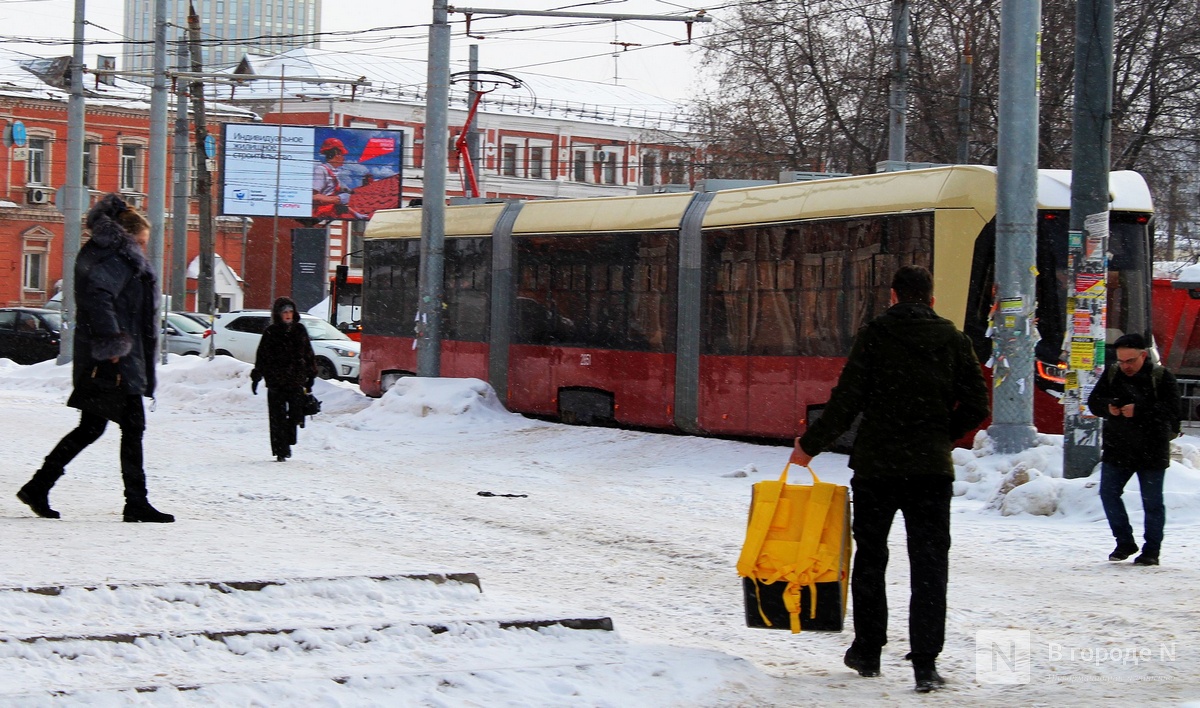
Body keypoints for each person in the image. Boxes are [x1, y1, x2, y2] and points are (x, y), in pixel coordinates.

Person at [789, 264, 989, 693]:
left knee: (871, 559)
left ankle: (868, 650)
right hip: (930, 473)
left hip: (877, 469)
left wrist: (810, 446)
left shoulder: (875, 336)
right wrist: (940, 435)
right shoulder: (955, 341)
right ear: (931, 300)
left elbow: (846, 400)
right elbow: (976, 404)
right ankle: (925, 664)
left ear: (894, 296)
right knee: (931, 566)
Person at [16, 194, 174, 523]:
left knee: (91, 427)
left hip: (106, 359)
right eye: (142, 242)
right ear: (130, 237)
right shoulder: (118, 258)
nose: (144, 248)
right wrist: (112, 344)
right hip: (114, 362)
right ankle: (135, 502)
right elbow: (99, 297)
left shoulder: (105, 253)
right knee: (131, 428)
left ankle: (39, 485)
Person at [1086, 333, 1180, 566]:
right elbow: (1093, 402)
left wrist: (1139, 410)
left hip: (1152, 451)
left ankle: (1151, 550)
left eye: (1131, 361)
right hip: (1118, 449)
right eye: (1121, 361)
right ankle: (1125, 541)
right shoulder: (1112, 374)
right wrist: (1108, 407)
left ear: (1144, 355)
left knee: (1152, 503)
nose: (1125, 366)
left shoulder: (1161, 377)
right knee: (1108, 494)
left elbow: (1173, 410)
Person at [250, 297, 317, 462]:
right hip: (276, 381)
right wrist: (257, 376)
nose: (288, 315)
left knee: (296, 414)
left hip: (296, 380)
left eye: (290, 312)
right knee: (277, 417)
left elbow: (308, 352)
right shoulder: (271, 332)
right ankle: (281, 450)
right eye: (285, 312)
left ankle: (288, 438)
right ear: (278, 314)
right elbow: (262, 356)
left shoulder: (300, 330)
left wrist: (311, 375)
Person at [312, 137, 364, 220]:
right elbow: (313, 196)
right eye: (342, 154)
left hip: (329, 214)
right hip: (319, 214)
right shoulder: (321, 170)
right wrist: (337, 199)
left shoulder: (334, 174)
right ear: (337, 153)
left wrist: (355, 214)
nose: (344, 158)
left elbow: (336, 202)